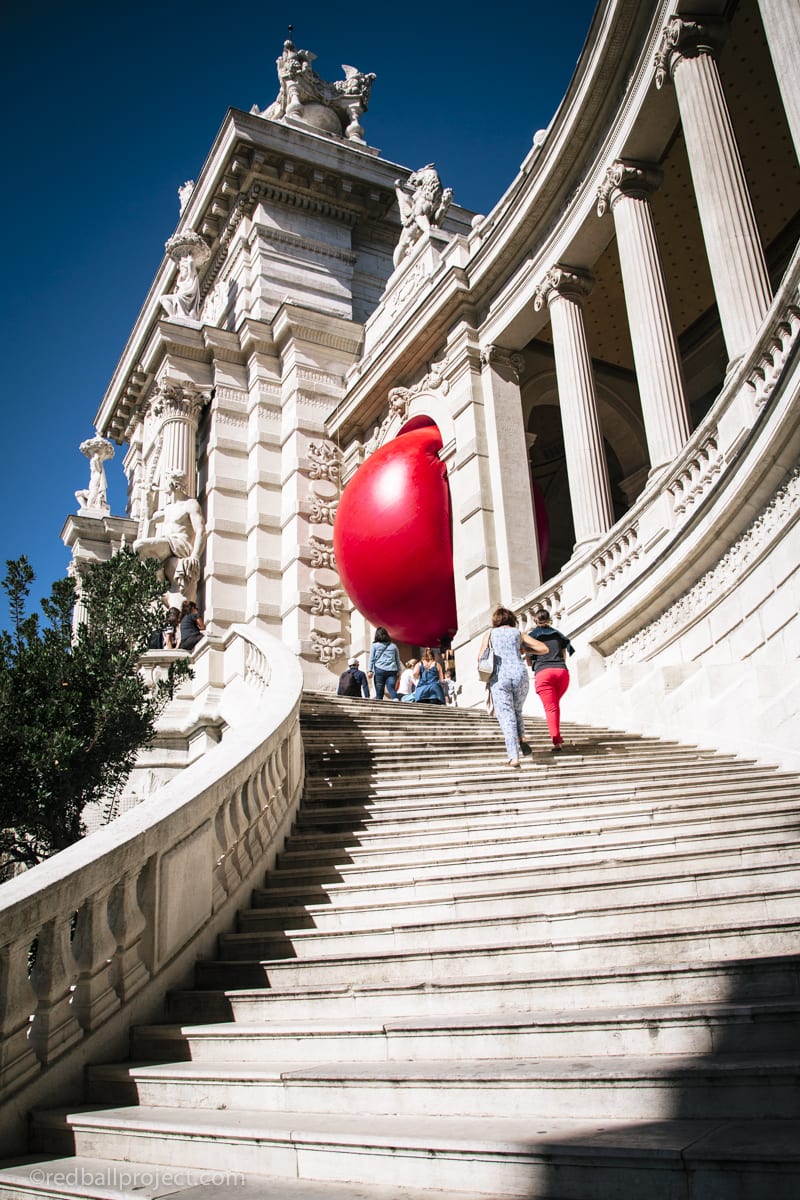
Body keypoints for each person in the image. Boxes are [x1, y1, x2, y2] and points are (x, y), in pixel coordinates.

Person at [477, 606, 547, 768]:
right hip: (520, 674)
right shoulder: (518, 633)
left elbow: (480, 657)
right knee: (517, 710)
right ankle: (521, 737)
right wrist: (522, 649)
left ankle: (513, 756)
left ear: (496, 620)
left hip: (500, 676)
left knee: (506, 715)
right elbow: (543, 648)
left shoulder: (490, 634)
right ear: (511, 620)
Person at [134, 469, 207, 600]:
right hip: (168, 543)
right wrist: (148, 497)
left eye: (166, 481)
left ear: (175, 485)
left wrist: (195, 556)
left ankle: (159, 585)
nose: (163, 485)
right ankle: (160, 583)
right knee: (147, 555)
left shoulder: (190, 504)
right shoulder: (168, 508)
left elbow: (201, 530)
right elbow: (150, 517)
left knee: (139, 545)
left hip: (179, 545)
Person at [526, 607, 575, 752]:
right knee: (554, 706)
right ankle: (558, 736)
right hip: (562, 672)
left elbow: (528, 662)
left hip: (544, 673)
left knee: (551, 708)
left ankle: (556, 742)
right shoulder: (558, 635)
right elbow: (564, 654)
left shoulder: (531, 636)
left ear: (535, 620)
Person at [367, 627, 402, 700]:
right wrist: (399, 671)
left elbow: (371, 659)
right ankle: (396, 700)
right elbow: (397, 660)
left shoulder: (374, 645)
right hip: (392, 670)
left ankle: (379, 706)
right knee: (391, 688)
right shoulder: (393, 646)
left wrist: (370, 670)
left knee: (379, 691)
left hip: (380, 670)